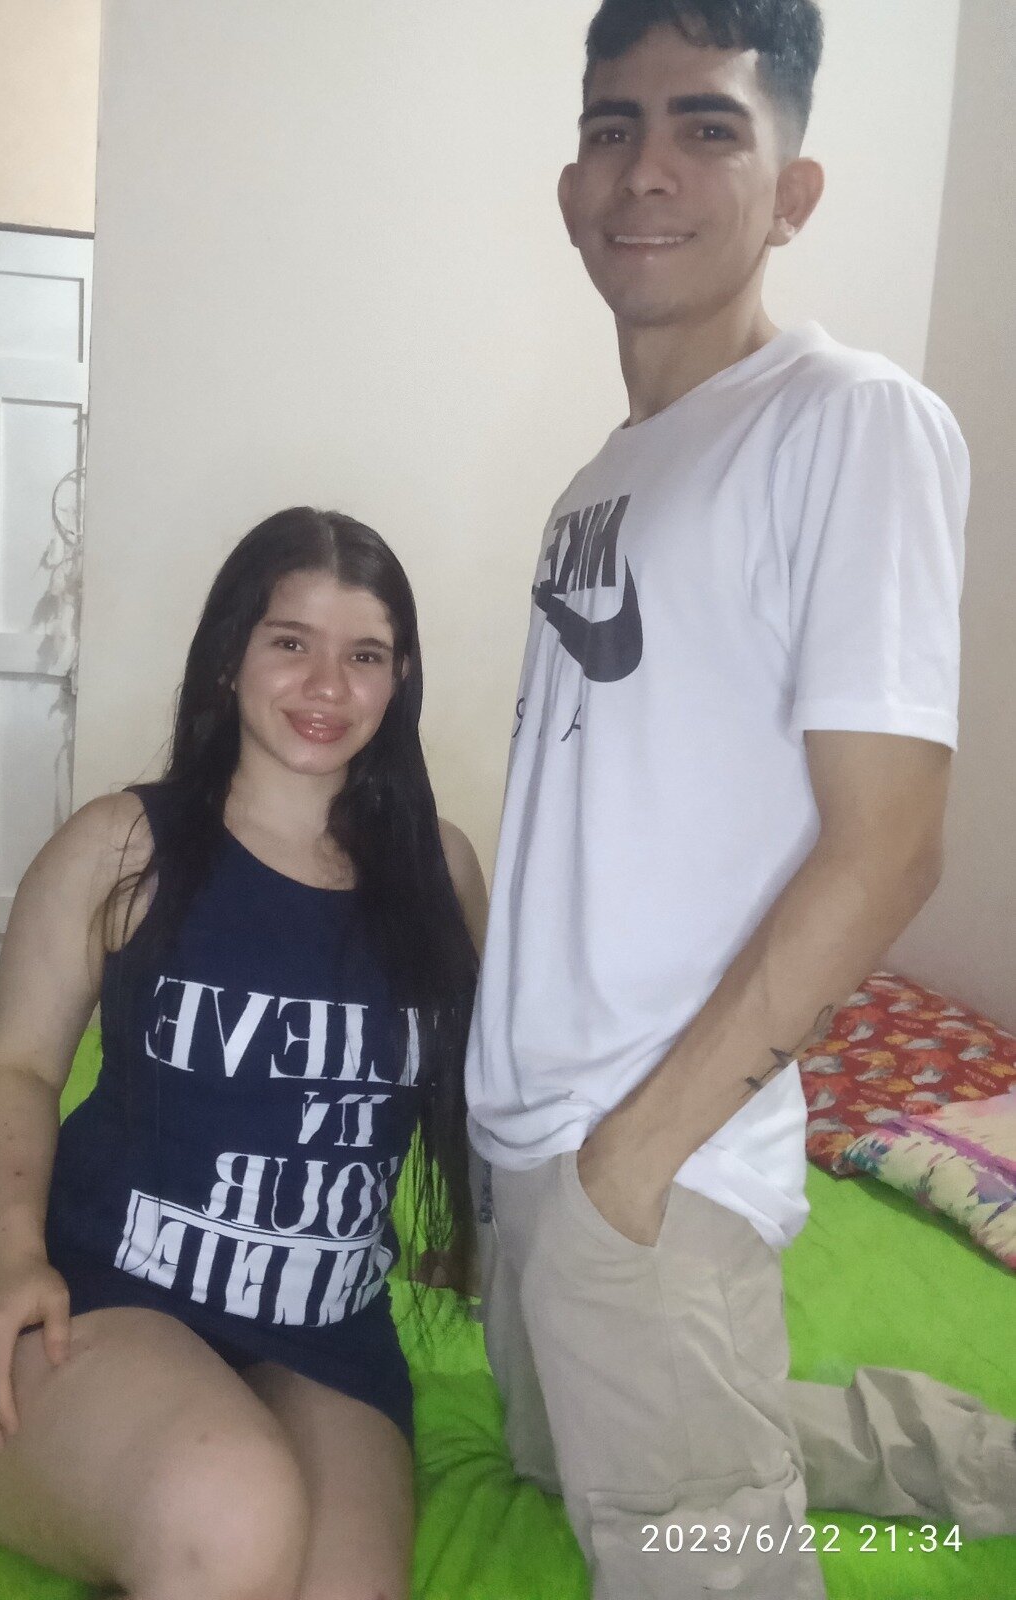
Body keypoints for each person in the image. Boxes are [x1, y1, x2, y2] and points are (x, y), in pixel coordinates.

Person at [465, 3, 1015, 1597]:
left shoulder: (847, 421)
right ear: (570, 186)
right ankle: (963, 1465)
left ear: (792, 192)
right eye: (611, 126)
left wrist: (632, 1164)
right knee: (559, 1458)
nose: (646, 168)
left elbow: (888, 845)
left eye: (706, 127)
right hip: (537, 1143)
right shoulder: (601, 478)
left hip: (650, 1160)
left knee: (695, 1554)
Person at [0, 507, 488, 1600]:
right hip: (99, 1290)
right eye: (290, 641)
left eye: (364, 654)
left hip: (325, 1323)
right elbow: (18, 1068)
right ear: (230, 656)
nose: (326, 685)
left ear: (400, 677)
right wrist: (12, 1256)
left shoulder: (441, 871)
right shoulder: (123, 845)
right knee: (232, 1519)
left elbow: (473, 1083)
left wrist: (480, 1241)